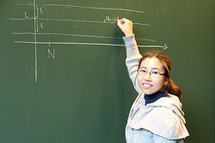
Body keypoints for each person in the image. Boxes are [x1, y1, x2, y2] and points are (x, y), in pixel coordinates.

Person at [117, 18, 189, 143]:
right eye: (143, 71)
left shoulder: (165, 116)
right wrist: (129, 36)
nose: (146, 77)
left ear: (166, 79)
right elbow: (135, 66)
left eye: (155, 72)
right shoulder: (144, 95)